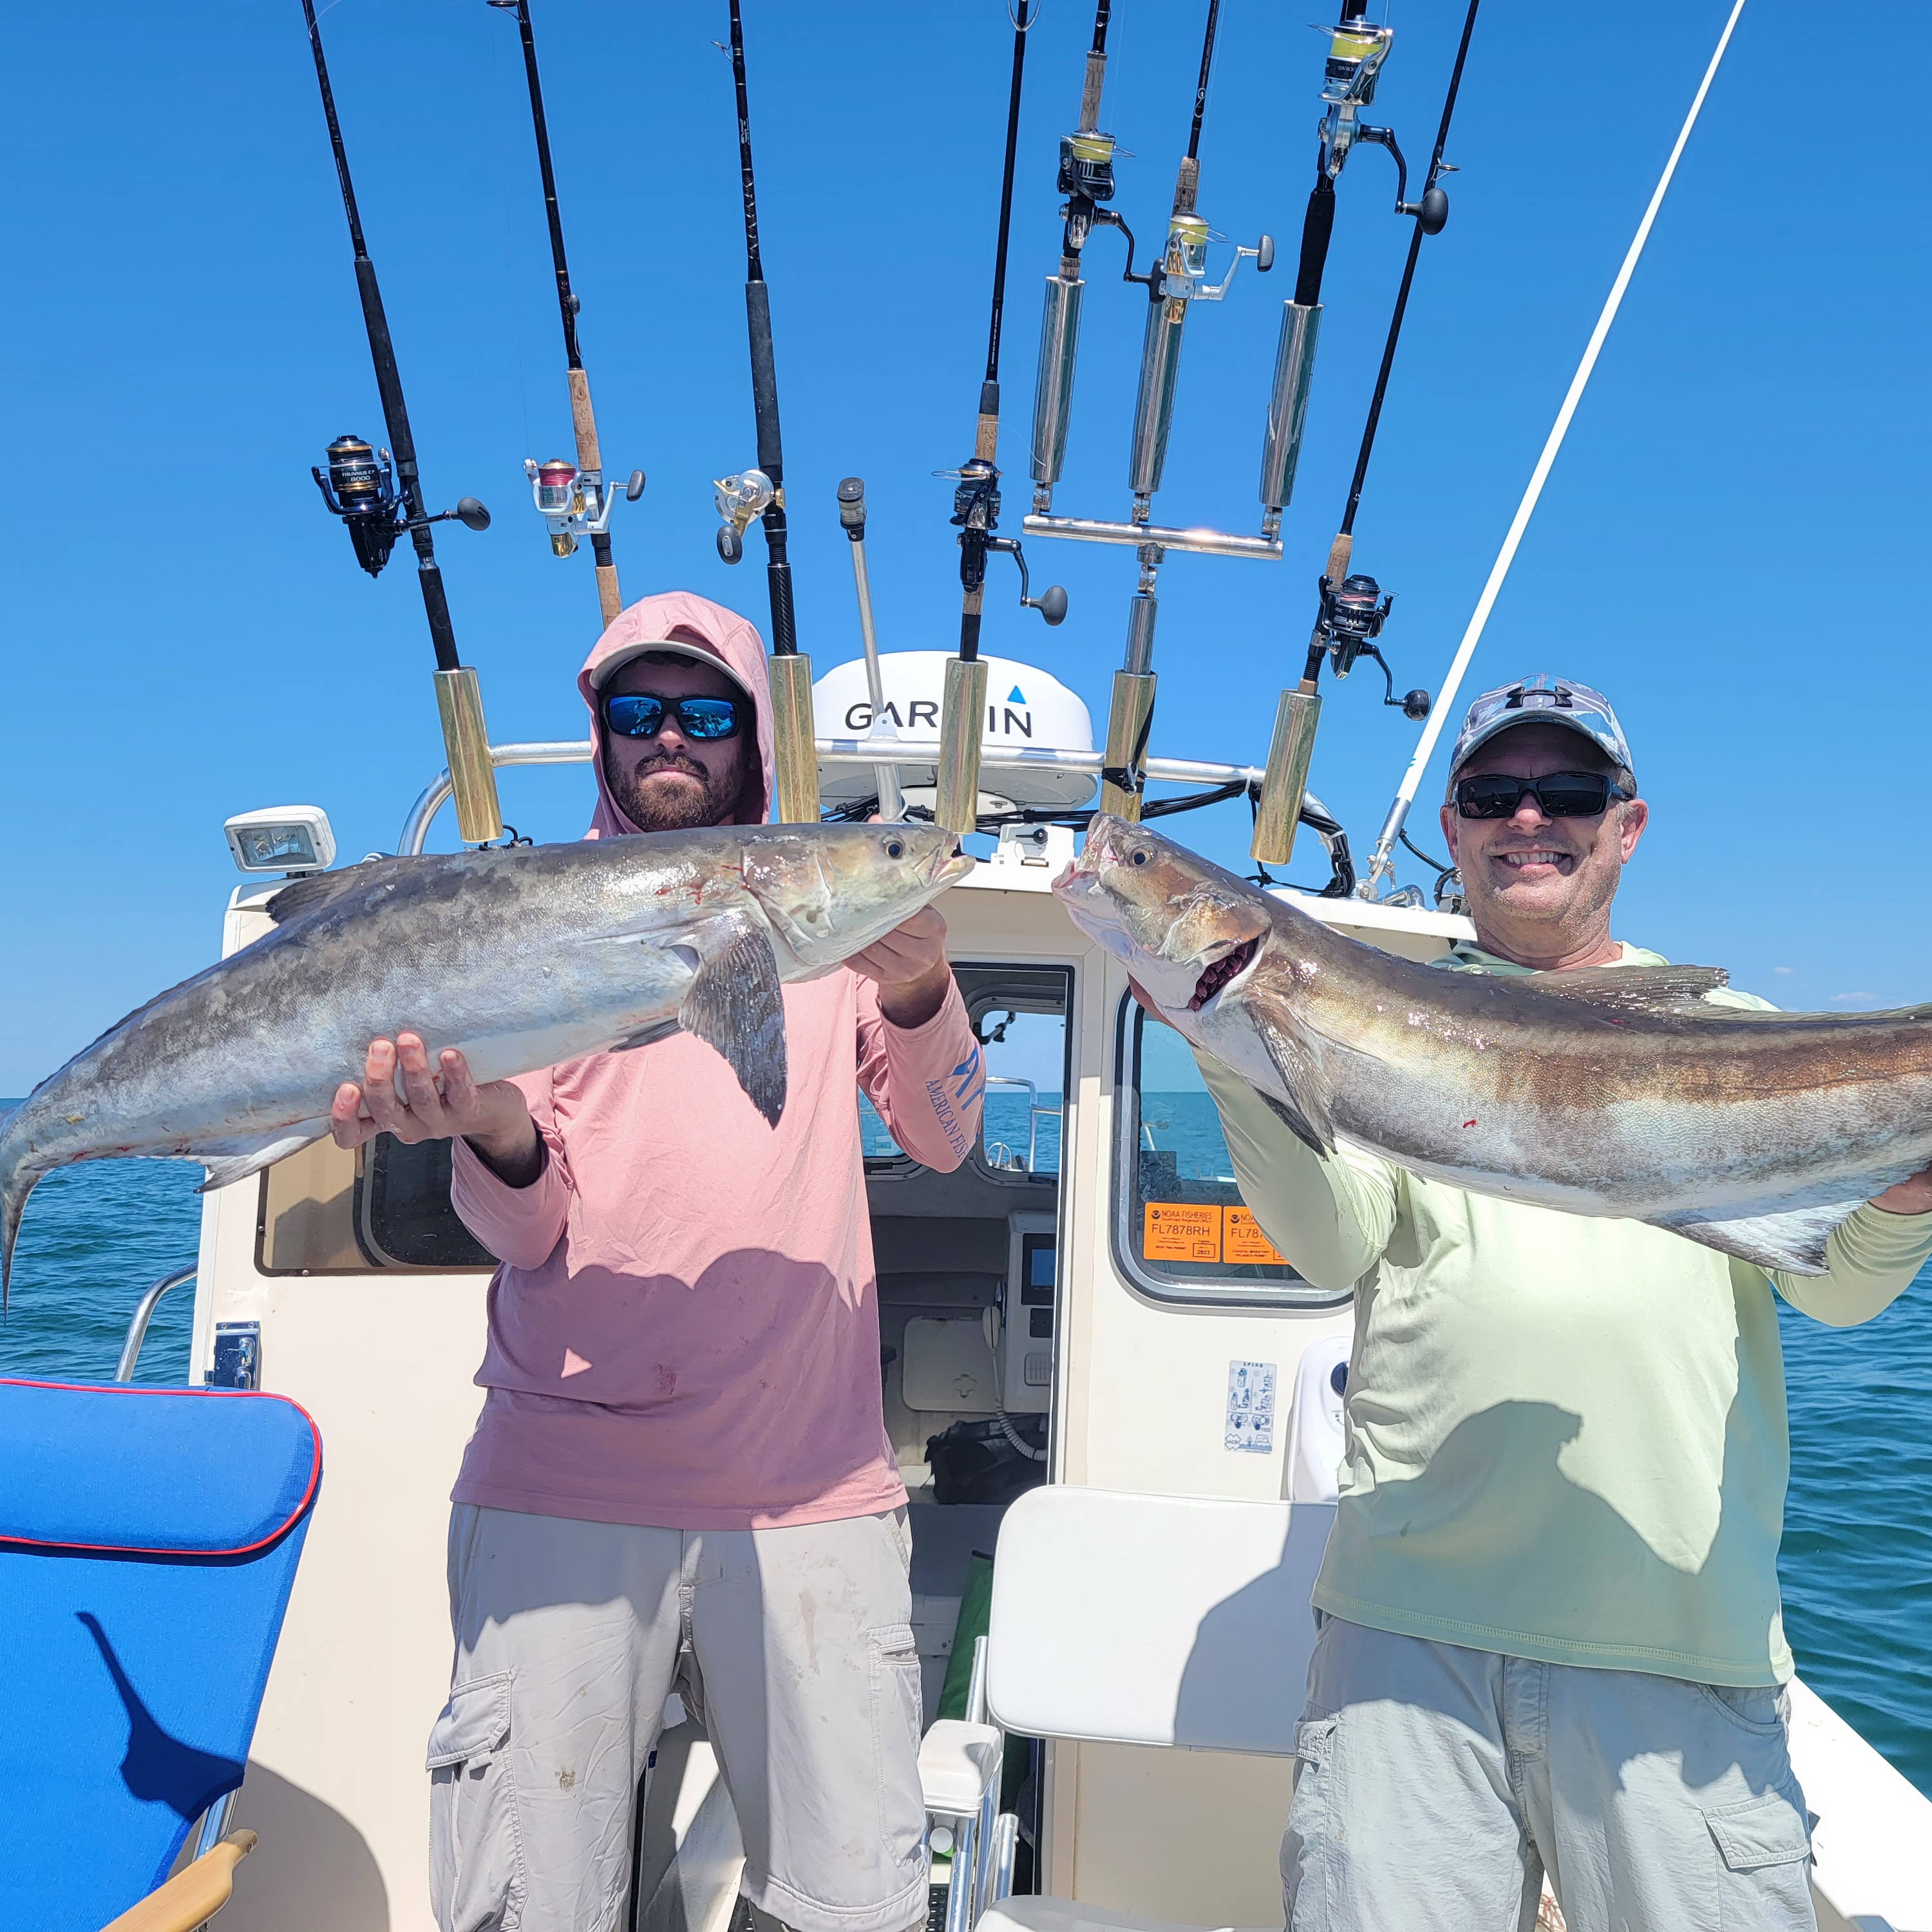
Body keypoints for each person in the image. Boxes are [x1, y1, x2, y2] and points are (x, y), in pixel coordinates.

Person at [1173, 676, 1932, 1931]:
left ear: (1626, 826)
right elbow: (1330, 1247)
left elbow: (1844, 1291)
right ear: (1456, 830)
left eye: (1568, 791)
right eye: (1493, 795)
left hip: (1677, 1640)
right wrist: (1237, 1053)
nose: (1531, 818)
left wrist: (1907, 1192)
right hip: (1406, 1638)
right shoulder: (1370, 1016)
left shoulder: (1741, 1039)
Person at [327, 591, 985, 1932]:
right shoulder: (529, 924)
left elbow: (947, 1136)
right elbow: (527, 1231)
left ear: (752, 739)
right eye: (636, 712)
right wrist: (495, 1128)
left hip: (812, 1492)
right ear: (600, 737)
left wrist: (917, 988)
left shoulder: (835, 923)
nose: (667, 737)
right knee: (529, 1908)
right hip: (562, 1484)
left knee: (855, 1904)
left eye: (702, 711)